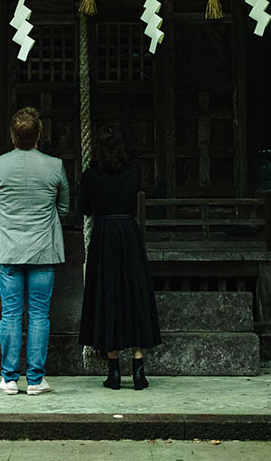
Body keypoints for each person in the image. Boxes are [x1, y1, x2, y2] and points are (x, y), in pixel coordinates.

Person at [0, 106, 69, 395]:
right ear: (39, 136)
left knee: (10, 313)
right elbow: (65, 207)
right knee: (39, 314)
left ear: (12, 136)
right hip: (43, 247)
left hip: (8, 246)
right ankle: (35, 379)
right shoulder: (55, 165)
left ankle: (9, 378)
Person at [78, 126, 161, 390]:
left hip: (104, 235)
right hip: (128, 234)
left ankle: (113, 370)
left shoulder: (91, 176)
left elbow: (85, 208)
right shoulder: (133, 174)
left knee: (108, 295)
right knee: (133, 294)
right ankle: (138, 369)